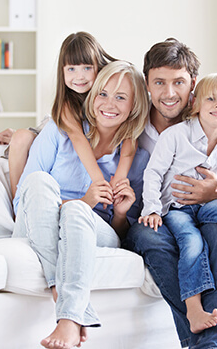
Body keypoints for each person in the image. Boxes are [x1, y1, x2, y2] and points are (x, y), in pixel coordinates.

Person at [122, 38, 217, 349]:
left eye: (179, 83)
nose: (169, 93)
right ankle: (208, 338)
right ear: (147, 84)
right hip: (150, 220)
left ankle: (212, 344)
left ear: (193, 86)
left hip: (202, 214)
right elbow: (91, 118)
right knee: (153, 238)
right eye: (159, 82)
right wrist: (34, 133)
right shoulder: (131, 122)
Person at [12, 60, 150, 349]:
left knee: (76, 211)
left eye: (121, 97)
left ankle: (68, 314)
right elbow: (25, 197)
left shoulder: (137, 159)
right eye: (103, 93)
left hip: (94, 229)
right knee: (39, 180)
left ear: (134, 106)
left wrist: (122, 212)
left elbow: (122, 233)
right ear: (93, 95)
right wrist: (84, 200)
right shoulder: (58, 133)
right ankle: (67, 304)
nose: (109, 104)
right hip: (37, 220)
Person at [0, 32, 136, 200]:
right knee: (20, 137)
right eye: (71, 69)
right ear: (62, 72)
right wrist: (99, 181)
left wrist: (120, 176)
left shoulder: (111, 82)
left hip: (68, 133)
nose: (79, 77)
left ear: (98, 66)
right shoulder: (68, 103)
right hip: (52, 131)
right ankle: (17, 207)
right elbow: (77, 138)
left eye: (87, 68)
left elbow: (130, 134)